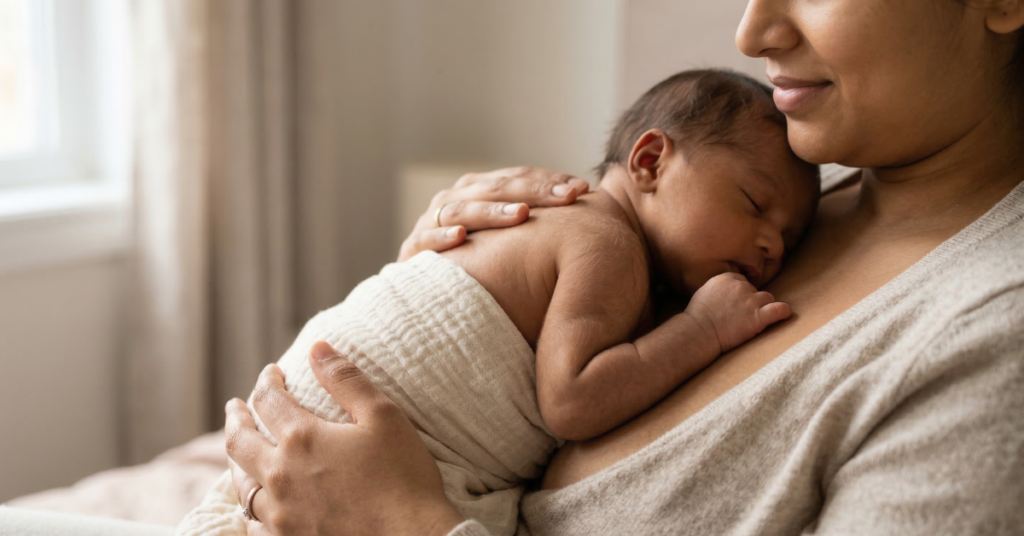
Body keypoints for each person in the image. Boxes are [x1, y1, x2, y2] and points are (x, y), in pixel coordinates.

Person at [224, 0, 1024, 535]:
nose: (752, 31)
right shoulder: (808, 209)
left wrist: (400, 520)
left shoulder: (991, 340)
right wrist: (451, 276)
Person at [178, 69, 819, 536]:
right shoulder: (606, 243)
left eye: (789, 239)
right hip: (344, 437)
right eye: (755, 204)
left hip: (294, 428)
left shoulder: (563, 227)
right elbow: (572, 401)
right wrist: (703, 328)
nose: (770, 247)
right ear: (650, 161)